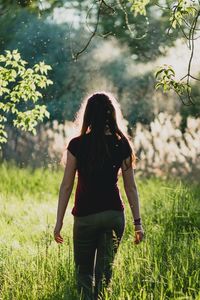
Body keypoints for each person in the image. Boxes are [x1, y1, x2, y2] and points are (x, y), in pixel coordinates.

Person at [53, 92, 144, 300]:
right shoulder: (122, 145)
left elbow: (66, 186)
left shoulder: (77, 145)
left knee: (84, 275)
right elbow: (131, 188)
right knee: (104, 277)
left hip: (85, 217)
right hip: (113, 215)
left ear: (88, 116)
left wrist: (58, 222)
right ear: (111, 115)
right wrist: (137, 223)